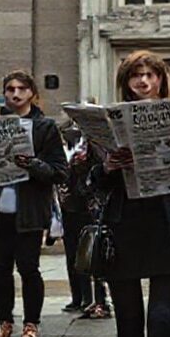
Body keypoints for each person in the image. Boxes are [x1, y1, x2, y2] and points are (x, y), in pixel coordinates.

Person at [86, 51, 170, 337]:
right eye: (135, 75)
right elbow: (92, 183)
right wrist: (108, 167)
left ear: (160, 80)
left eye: (149, 75)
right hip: (124, 223)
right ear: (126, 82)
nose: (143, 81)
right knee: (128, 318)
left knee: (161, 316)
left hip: (169, 223)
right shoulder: (109, 121)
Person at [0, 71, 68, 337]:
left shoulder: (45, 127)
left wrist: (33, 164)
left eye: (22, 88)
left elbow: (60, 172)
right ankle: (3, 323)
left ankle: (31, 325)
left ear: (32, 93)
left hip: (28, 211)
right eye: (10, 89)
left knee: (29, 268)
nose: (15, 94)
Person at [58, 124, 112, 320]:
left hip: (89, 208)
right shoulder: (67, 145)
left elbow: (101, 170)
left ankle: (99, 301)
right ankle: (82, 298)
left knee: (93, 254)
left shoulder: (94, 145)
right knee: (75, 255)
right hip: (70, 207)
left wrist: (81, 166)